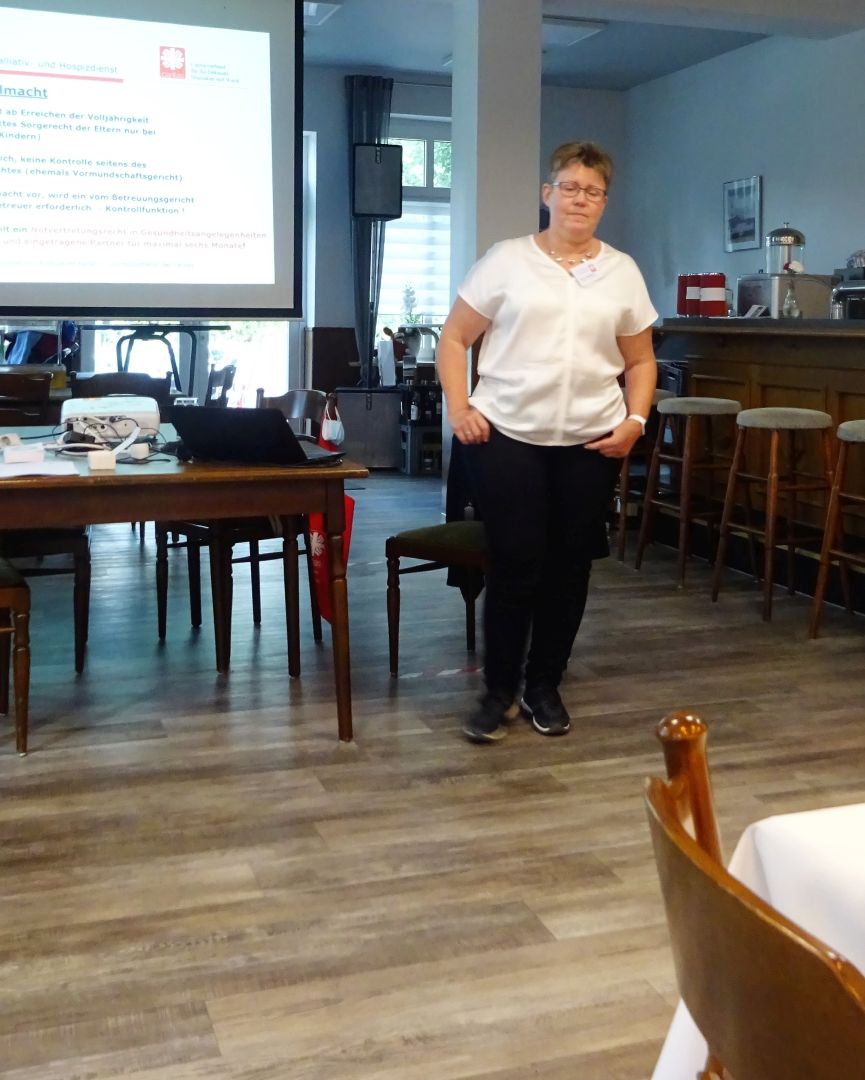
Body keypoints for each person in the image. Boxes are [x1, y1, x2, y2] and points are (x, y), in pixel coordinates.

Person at [436, 140, 657, 744]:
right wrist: (460, 407)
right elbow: (454, 338)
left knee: (569, 567)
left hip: (591, 441)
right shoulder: (507, 260)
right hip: (507, 434)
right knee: (516, 562)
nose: (580, 199)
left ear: (604, 203)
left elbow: (640, 360)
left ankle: (544, 685)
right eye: (570, 187)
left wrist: (635, 421)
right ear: (547, 194)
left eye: (593, 191)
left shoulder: (622, 271)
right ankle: (498, 692)